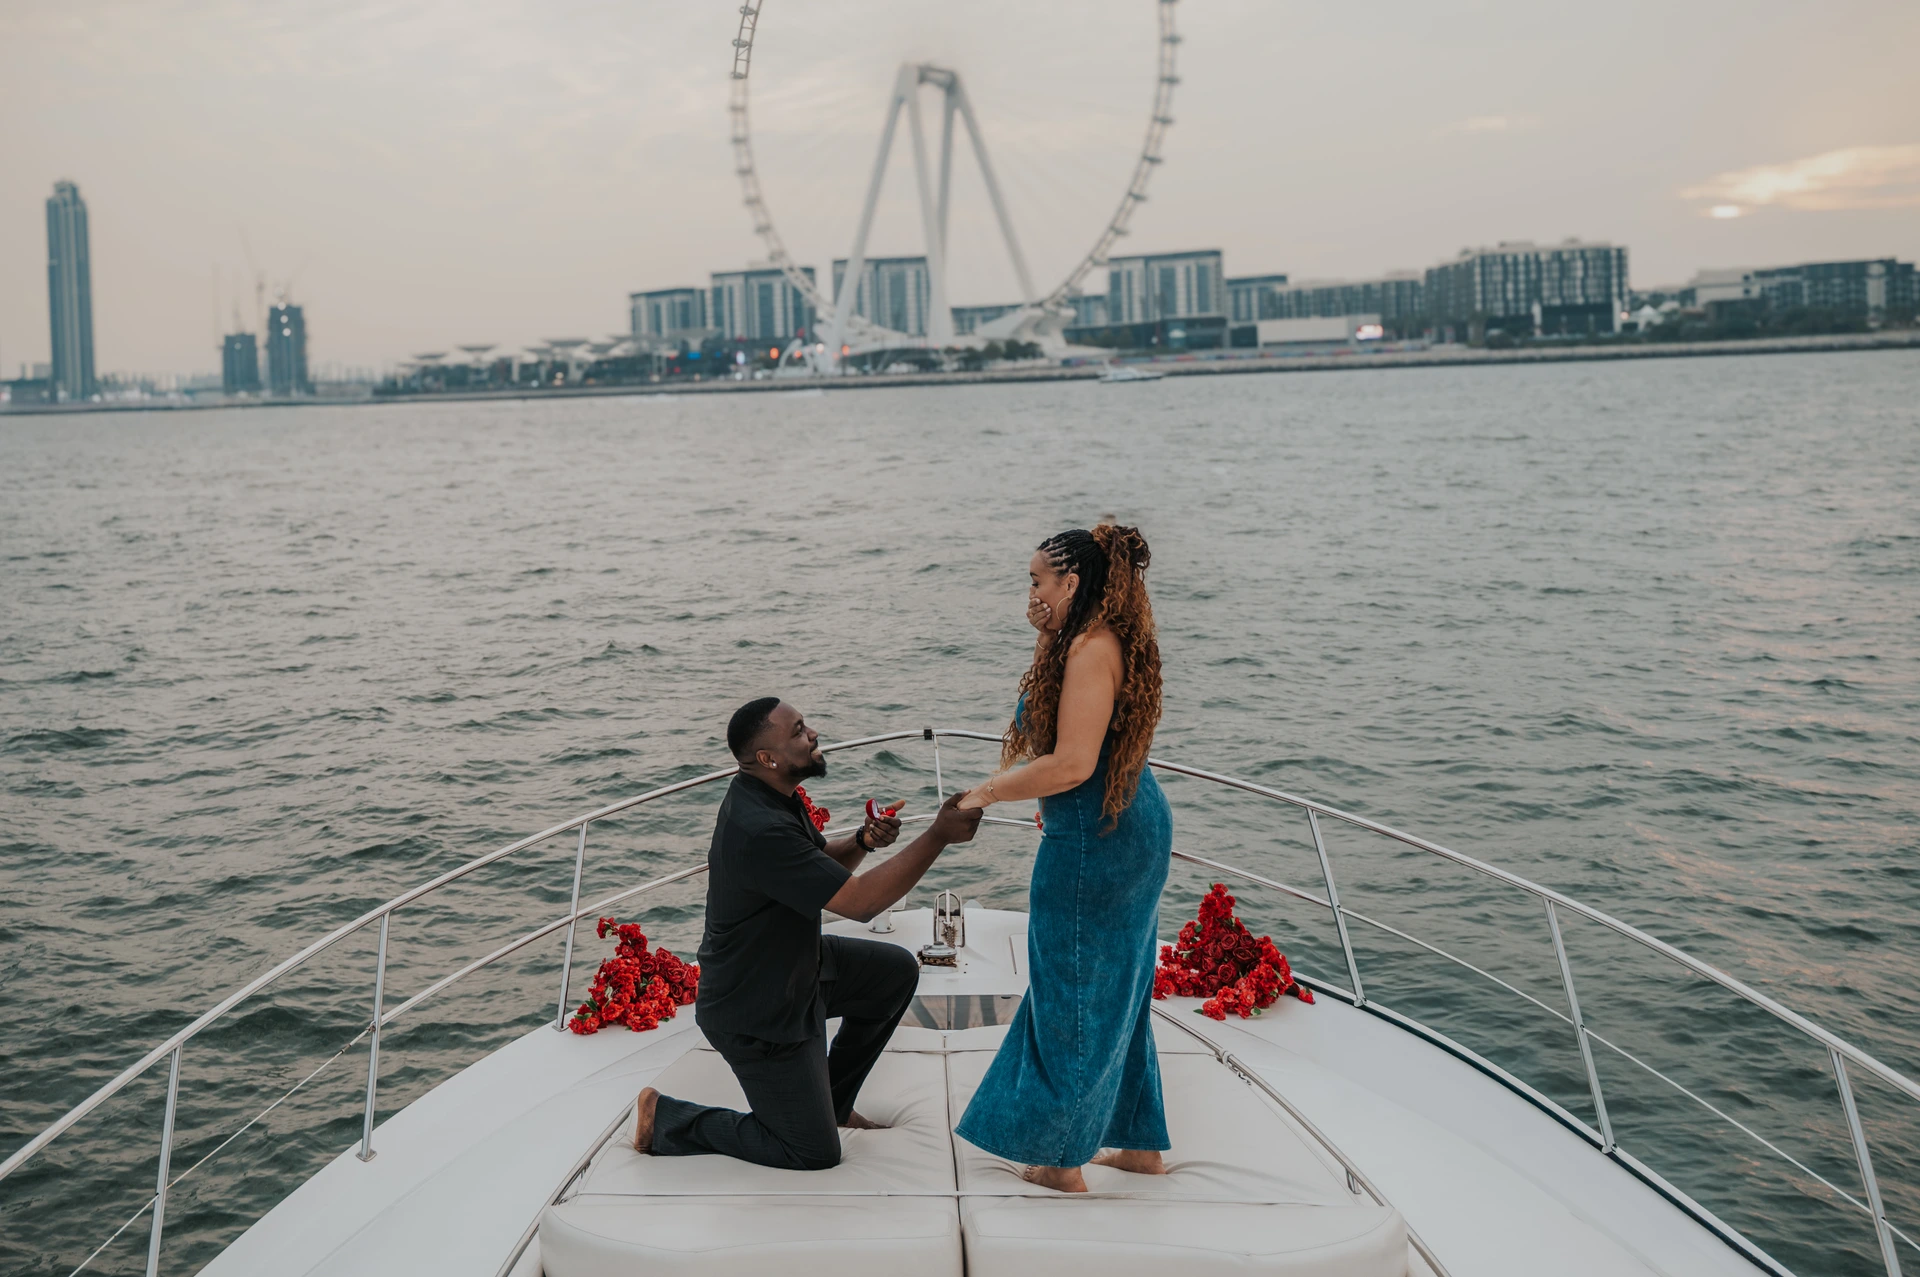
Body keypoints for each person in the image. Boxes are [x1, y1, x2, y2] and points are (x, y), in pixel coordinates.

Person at [632, 696, 983, 1169]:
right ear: (767, 758)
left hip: (798, 968)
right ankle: (667, 1116)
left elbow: (820, 870)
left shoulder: (772, 794)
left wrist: (862, 840)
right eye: (797, 730)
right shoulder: (759, 828)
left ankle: (834, 1104)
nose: (813, 734)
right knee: (811, 1152)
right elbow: (861, 904)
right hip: (755, 1008)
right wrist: (938, 834)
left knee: (893, 973)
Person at [953, 523, 1171, 1193]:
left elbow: (1074, 762)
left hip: (1097, 842)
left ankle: (1058, 1158)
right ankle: (1138, 1145)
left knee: (1071, 987)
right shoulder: (1092, 640)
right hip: (1124, 823)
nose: (1029, 590)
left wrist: (983, 793)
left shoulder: (1091, 649)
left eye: (1036, 579)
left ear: (1070, 583)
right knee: (1121, 989)